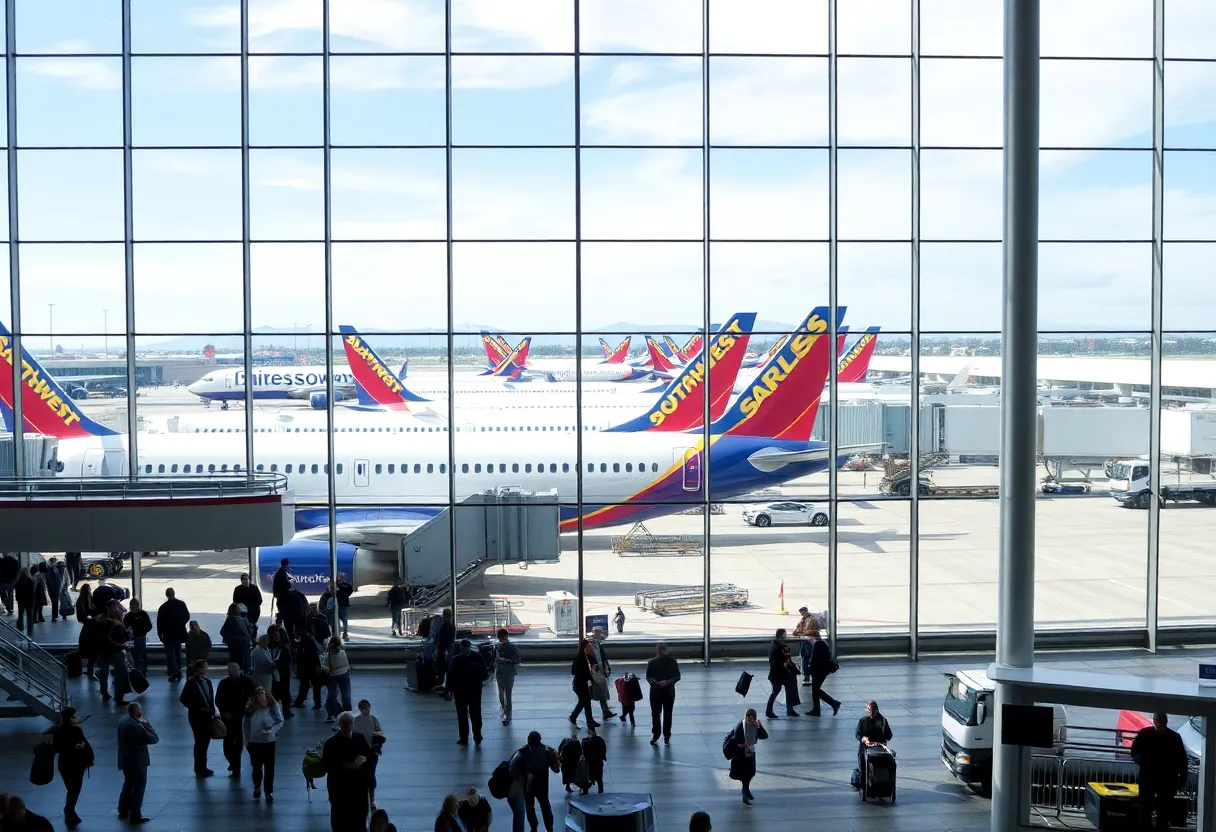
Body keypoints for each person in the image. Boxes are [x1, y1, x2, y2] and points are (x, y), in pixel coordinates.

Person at [1131, 712, 1189, 831]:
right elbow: (1182, 761)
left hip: (1149, 778)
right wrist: (1181, 781)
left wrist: (1141, 762)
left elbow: (1133, 752)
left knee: (1146, 808)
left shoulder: (1144, 734)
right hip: (1167, 780)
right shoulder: (1175, 737)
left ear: (1154, 721)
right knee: (1163, 810)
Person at [322, 711, 372, 832]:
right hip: (340, 791)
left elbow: (369, 759)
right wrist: (351, 765)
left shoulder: (359, 739)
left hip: (358, 790)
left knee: (359, 822)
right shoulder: (331, 744)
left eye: (351, 723)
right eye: (346, 724)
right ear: (340, 725)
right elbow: (327, 766)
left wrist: (364, 762)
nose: (349, 726)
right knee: (340, 823)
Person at [116, 701, 159, 825]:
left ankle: (122, 808)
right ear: (138, 712)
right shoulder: (136, 726)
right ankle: (136, 814)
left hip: (126, 760)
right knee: (138, 788)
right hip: (137, 762)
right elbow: (154, 738)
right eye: (141, 709)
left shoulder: (124, 722)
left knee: (128, 784)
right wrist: (147, 725)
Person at [510, 731, 559, 832]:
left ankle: (534, 827)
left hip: (528, 785)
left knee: (530, 807)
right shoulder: (547, 750)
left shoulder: (523, 752)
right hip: (543, 784)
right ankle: (549, 827)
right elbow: (555, 766)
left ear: (529, 740)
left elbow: (512, 768)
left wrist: (521, 779)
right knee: (545, 805)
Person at [53, 707, 92, 827]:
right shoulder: (76, 731)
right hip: (76, 765)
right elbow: (83, 744)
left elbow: (56, 748)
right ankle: (69, 810)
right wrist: (77, 747)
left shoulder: (58, 731)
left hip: (64, 765)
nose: (77, 718)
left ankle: (70, 810)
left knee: (71, 789)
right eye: (75, 716)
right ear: (70, 718)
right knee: (74, 789)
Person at [243, 685, 284, 802]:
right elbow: (245, 725)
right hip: (254, 741)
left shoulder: (272, 705)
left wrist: (273, 730)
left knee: (269, 767)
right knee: (256, 767)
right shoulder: (250, 708)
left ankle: (268, 792)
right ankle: (257, 785)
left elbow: (280, 720)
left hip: (269, 741)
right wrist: (246, 739)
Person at [178, 659, 217, 777]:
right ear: (199, 669)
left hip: (207, 715)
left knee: (204, 741)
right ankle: (200, 767)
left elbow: (210, 698)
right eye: (205, 667)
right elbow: (183, 699)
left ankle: (202, 766)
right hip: (197, 717)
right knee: (200, 741)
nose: (206, 669)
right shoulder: (191, 683)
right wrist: (197, 708)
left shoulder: (207, 682)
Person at [216, 661, 254, 777]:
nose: (231, 674)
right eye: (230, 672)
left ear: (238, 671)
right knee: (227, 743)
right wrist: (223, 711)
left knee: (238, 742)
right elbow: (218, 699)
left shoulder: (246, 682)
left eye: (233, 672)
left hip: (241, 716)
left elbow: (252, 697)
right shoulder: (224, 683)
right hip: (228, 717)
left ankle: (235, 767)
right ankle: (233, 762)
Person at [446, 638, 486, 745]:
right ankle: (468, 736)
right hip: (467, 691)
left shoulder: (459, 659)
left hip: (467, 691)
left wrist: (450, 688)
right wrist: (450, 689)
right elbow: (450, 675)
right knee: (465, 715)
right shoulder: (476, 658)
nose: (465, 650)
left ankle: (474, 735)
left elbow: (451, 675)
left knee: (473, 714)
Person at [729, 708, 769, 804]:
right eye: (749, 715)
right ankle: (745, 792)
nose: (751, 718)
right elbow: (738, 742)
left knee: (750, 773)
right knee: (745, 774)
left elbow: (764, 736)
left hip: (750, 754)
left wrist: (759, 726)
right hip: (740, 755)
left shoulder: (756, 725)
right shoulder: (741, 726)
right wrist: (747, 744)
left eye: (753, 715)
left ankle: (745, 791)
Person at [353, 699, 386, 810]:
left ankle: (370, 799)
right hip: (368, 751)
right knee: (369, 775)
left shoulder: (370, 719)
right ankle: (371, 799)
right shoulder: (368, 719)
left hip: (368, 751)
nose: (365, 710)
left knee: (369, 774)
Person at [645, 641, 680, 745]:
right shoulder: (652, 662)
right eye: (660, 649)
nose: (661, 651)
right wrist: (656, 682)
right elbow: (648, 677)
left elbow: (677, 676)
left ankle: (665, 735)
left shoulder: (672, 662)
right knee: (656, 714)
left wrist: (666, 683)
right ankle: (658, 734)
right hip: (659, 691)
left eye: (662, 649)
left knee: (666, 714)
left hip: (664, 692)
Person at [804, 627, 841, 717]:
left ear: (813, 637)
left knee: (816, 690)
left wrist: (809, 669)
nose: (808, 639)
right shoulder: (822, 644)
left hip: (819, 671)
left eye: (809, 637)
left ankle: (833, 703)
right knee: (815, 690)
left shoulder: (818, 645)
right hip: (822, 671)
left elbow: (815, 660)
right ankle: (817, 709)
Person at [156, 587, 190, 682]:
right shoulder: (181, 604)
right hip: (179, 632)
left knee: (170, 654)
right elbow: (187, 616)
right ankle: (178, 671)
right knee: (177, 652)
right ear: (174, 593)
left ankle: (174, 672)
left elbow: (160, 622)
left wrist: (160, 633)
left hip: (168, 633)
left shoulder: (163, 607)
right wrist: (181, 624)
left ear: (166, 595)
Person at [99, 608, 132, 706]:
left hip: (104, 652)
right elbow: (121, 639)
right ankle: (119, 697)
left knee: (104, 672)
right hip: (116, 652)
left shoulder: (103, 625)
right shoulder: (116, 626)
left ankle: (104, 691)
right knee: (120, 674)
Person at [765, 628, 799, 719]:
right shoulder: (777, 646)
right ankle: (770, 710)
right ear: (781, 635)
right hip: (779, 674)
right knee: (776, 691)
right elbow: (775, 661)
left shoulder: (777, 645)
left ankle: (789, 709)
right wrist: (784, 664)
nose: (786, 636)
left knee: (786, 690)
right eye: (785, 634)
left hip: (783, 674)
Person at [855, 699, 894, 780]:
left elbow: (889, 736)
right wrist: (863, 738)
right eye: (869, 710)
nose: (871, 712)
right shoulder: (863, 721)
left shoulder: (883, 721)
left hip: (878, 749)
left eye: (872, 710)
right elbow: (858, 734)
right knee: (864, 769)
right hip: (865, 748)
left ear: (877, 709)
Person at [294, 621, 325, 711]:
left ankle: (300, 702)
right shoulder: (308, 639)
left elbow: (312, 653)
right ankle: (316, 703)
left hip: (308, 667)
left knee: (306, 685)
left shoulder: (305, 640)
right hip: (310, 666)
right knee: (314, 686)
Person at [588, 627, 617, 721]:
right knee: (597, 690)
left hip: (599, 669)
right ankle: (577, 715)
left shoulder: (597, 643)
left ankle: (605, 711)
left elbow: (603, 656)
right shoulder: (590, 644)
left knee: (602, 690)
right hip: (595, 670)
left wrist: (606, 666)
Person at [569, 640, 599, 729]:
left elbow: (593, 661)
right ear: (584, 648)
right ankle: (573, 716)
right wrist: (586, 674)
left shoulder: (587, 657)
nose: (590, 649)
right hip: (580, 684)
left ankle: (589, 720)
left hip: (584, 684)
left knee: (586, 701)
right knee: (584, 701)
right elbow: (573, 671)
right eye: (588, 647)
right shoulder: (580, 658)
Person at [494, 626, 521, 725]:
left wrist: (504, 660)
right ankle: (507, 714)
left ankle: (506, 713)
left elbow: (516, 659)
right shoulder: (509, 647)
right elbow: (517, 659)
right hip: (507, 673)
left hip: (502, 673)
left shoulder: (500, 647)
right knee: (507, 694)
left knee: (502, 694)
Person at [323, 636, 353, 723]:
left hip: (333, 676)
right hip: (344, 675)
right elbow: (346, 666)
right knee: (346, 695)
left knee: (331, 696)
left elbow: (326, 668)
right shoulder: (343, 653)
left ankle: (333, 714)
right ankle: (348, 713)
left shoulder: (327, 656)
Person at [267, 624, 294, 718]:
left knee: (285, 691)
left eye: (277, 635)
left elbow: (289, 660)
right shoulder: (267, 647)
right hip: (272, 673)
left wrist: (278, 665)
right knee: (273, 691)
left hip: (283, 673)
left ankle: (286, 710)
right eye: (274, 635)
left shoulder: (284, 648)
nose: (276, 637)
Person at [221, 602, 253, 672]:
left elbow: (223, 632)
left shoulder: (229, 619)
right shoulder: (239, 620)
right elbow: (247, 632)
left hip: (233, 645)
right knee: (242, 662)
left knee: (235, 661)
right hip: (241, 646)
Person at [124, 599, 153, 676]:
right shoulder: (128, 616)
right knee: (134, 655)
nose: (132, 609)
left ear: (137, 607)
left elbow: (149, 626)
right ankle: (136, 670)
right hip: (132, 639)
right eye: (131, 607)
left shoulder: (143, 614)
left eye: (133, 607)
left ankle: (143, 670)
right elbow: (125, 627)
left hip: (140, 637)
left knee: (142, 654)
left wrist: (143, 631)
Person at [581, 724, 607, 795]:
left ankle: (585, 790)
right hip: (597, 762)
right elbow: (603, 750)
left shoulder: (585, 741)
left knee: (589, 777)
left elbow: (584, 751)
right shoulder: (600, 740)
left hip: (591, 762)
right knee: (598, 777)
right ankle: (600, 789)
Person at [793, 605, 816, 684]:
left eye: (803, 613)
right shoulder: (803, 619)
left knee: (807, 658)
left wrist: (800, 632)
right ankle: (806, 675)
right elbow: (798, 628)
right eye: (801, 613)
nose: (802, 615)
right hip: (804, 640)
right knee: (804, 658)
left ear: (806, 611)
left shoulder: (811, 619)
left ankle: (808, 675)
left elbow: (808, 630)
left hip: (809, 641)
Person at [433, 607, 455, 690]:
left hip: (443, 649)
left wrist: (438, 648)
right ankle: (444, 684)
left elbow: (442, 639)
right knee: (445, 667)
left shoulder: (445, 626)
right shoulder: (450, 625)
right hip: (446, 648)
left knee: (442, 666)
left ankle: (441, 684)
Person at [15, 565, 35, 637]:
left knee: (20, 616)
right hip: (29, 602)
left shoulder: (19, 581)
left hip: (21, 602)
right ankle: (30, 630)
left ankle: (20, 628)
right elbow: (32, 592)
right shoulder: (29, 581)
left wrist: (18, 600)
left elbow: (17, 593)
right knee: (30, 617)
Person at [44, 557, 63, 622]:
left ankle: (54, 616)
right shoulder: (54, 569)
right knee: (55, 602)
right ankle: (54, 616)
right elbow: (57, 579)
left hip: (51, 588)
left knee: (54, 602)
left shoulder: (48, 569)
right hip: (55, 588)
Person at [336, 572, 354, 640]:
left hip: (342, 605)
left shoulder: (344, 585)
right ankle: (340, 633)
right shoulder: (337, 585)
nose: (341, 579)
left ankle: (344, 633)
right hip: (339, 605)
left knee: (344, 620)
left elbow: (350, 590)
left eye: (343, 577)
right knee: (341, 620)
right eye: (340, 577)